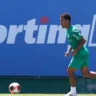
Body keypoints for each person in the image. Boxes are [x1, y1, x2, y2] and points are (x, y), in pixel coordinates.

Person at [60, 13, 96, 96]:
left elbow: (83, 40)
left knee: (70, 71)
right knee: (86, 73)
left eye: (62, 20)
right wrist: (69, 51)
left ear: (67, 21)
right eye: (60, 20)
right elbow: (73, 43)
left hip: (80, 54)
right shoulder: (68, 30)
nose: (60, 22)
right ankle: (73, 92)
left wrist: (76, 50)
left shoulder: (73, 31)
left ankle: (73, 93)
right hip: (84, 53)